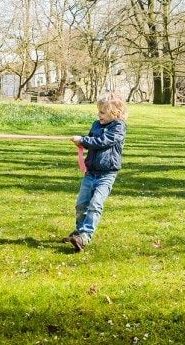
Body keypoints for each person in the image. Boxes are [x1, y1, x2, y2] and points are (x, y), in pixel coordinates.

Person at [65, 93, 128, 252]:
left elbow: (103, 141)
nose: (98, 115)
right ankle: (79, 232)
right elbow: (91, 142)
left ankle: (85, 236)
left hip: (107, 174)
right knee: (81, 204)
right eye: (99, 111)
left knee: (95, 204)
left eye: (102, 112)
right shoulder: (96, 125)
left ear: (115, 113)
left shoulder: (118, 127)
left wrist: (84, 140)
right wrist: (80, 142)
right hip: (91, 172)